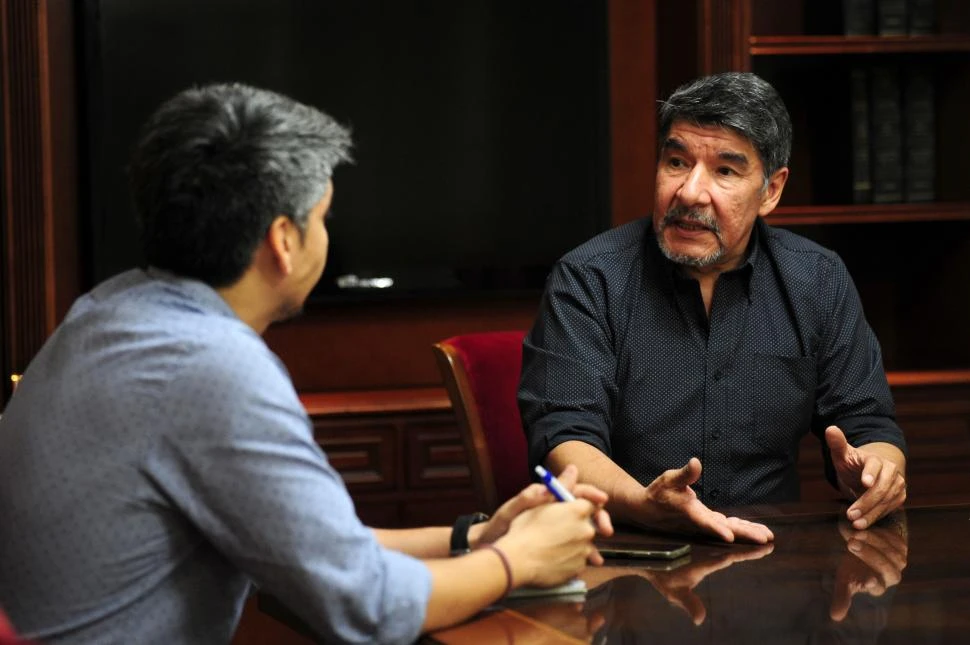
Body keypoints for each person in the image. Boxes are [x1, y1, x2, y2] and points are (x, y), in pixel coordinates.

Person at [0, 83, 613, 644]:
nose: (327, 235)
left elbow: (309, 548)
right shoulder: (212, 367)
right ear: (283, 241)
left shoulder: (107, 311)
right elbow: (365, 606)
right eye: (322, 217)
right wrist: (518, 562)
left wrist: (475, 538)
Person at [518, 71, 907, 544]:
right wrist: (644, 505)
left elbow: (867, 421)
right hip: (629, 550)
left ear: (771, 190)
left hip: (771, 560)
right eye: (677, 162)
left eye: (725, 170)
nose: (689, 193)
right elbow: (565, 438)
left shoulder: (816, 280)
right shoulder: (588, 279)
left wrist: (876, 472)